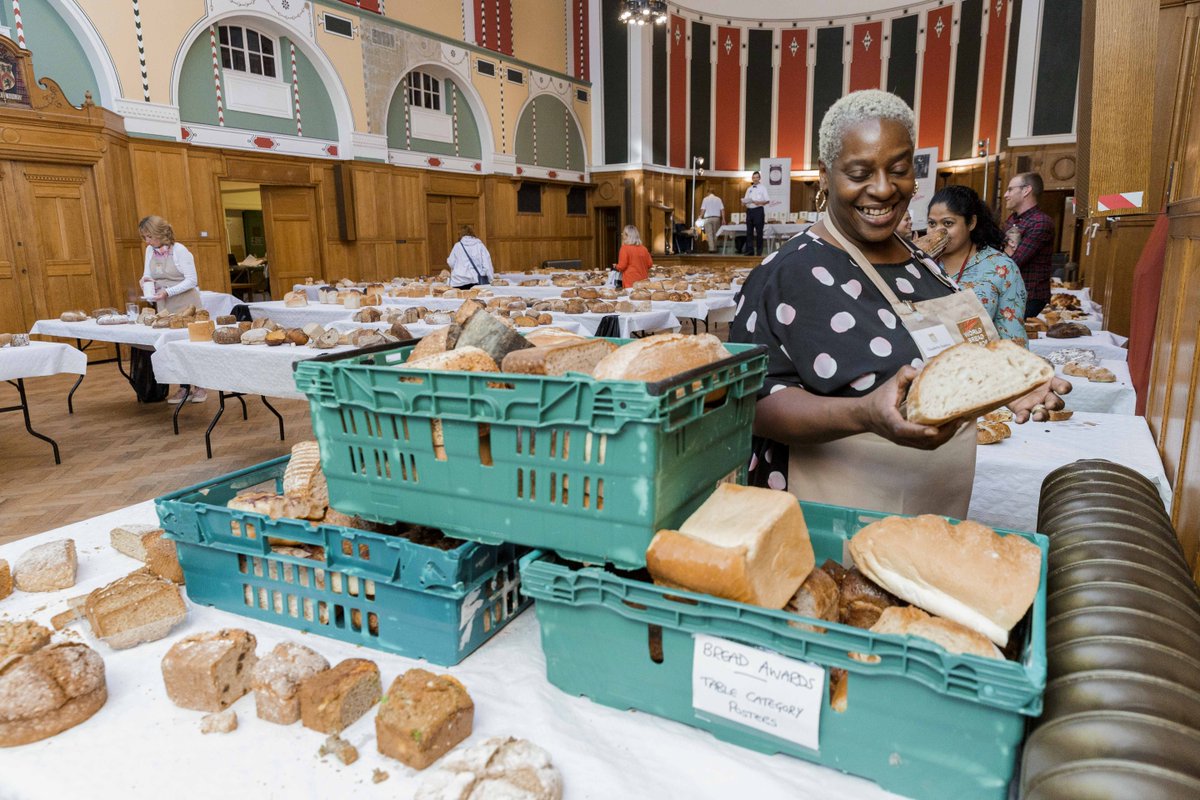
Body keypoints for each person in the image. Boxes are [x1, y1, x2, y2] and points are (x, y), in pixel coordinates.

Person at [730, 90, 1068, 519]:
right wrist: (864, 414)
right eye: (859, 172)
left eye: (899, 170)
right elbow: (753, 404)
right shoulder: (787, 273)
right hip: (834, 510)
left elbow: (957, 365)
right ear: (824, 176)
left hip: (934, 506)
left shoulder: (923, 265)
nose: (884, 188)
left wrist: (1007, 387)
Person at [927, 185, 1029, 344]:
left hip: (982, 364)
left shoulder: (1001, 268)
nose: (937, 232)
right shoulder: (921, 265)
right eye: (932, 224)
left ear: (971, 223)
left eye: (948, 223)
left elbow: (1013, 338)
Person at [140, 215, 206, 404]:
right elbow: (147, 274)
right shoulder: (149, 251)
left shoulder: (180, 251)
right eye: (145, 237)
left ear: (160, 234)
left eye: (149, 237)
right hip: (165, 306)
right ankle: (183, 387)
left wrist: (168, 291)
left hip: (186, 304)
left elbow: (192, 280)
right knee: (172, 348)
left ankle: (200, 386)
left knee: (191, 347)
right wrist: (145, 281)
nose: (147, 241)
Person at [1002, 172, 1054, 319]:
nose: (1006, 194)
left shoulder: (1041, 222)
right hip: (1010, 293)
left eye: (1010, 189)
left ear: (1026, 190)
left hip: (1029, 296)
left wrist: (1003, 250)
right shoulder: (1012, 219)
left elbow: (1013, 263)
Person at [446, 224, 494, 289]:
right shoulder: (480, 245)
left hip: (458, 281)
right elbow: (487, 264)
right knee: (475, 299)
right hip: (475, 280)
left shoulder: (457, 246)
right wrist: (490, 279)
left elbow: (451, 262)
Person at [741, 170, 770, 256]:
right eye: (754, 177)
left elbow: (767, 201)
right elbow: (746, 199)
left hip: (758, 211)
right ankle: (750, 251)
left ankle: (759, 252)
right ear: (752, 178)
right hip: (749, 211)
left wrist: (759, 203)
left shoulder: (763, 188)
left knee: (759, 232)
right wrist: (743, 202)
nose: (755, 179)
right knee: (749, 232)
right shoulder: (749, 189)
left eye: (757, 177)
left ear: (759, 178)